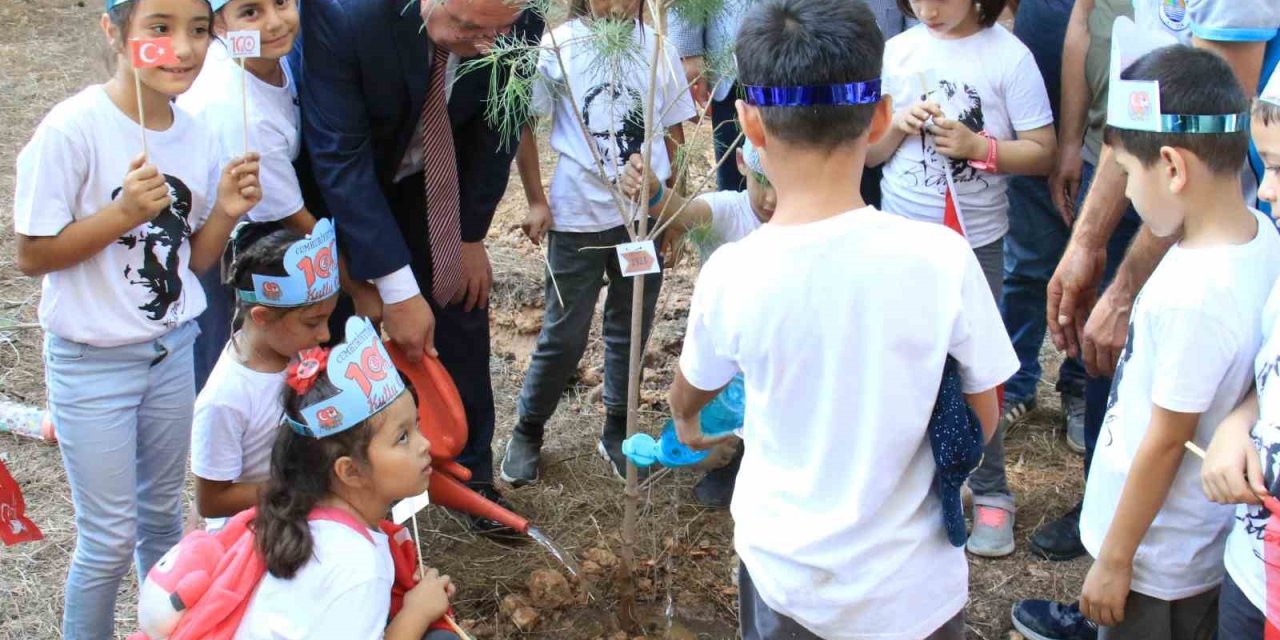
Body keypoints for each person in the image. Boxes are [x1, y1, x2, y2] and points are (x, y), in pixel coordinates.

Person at [668, 0, 1017, 637]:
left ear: (749, 124)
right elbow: (983, 411)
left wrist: (688, 423)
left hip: (788, 581)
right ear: (881, 114)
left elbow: (691, 391)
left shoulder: (734, 272)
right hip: (915, 591)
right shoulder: (942, 258)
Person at [11, 0, 262, 636]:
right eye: (159, 28)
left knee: (161, 521)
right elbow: (33, 255)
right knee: (108, 539)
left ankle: (169, 630)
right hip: (91, 362)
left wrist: (225, 212)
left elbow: (191, 261)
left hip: (171, 349)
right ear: (115, 32)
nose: (183, 48)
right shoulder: (72, 131)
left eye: (199, 30)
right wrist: (121, 215)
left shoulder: (198, 135)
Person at [293, 0, 543, 533]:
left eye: (497, 32)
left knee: (460, 305)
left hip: (432, 180)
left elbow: (498, 131)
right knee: (342, 337)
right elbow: (340, 159)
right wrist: (395, 287)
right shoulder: (346, 14)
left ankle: (470, 479)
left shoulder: (520, 16)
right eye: (467, 26)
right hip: (335, 192)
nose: (484, 45)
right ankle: (353, 501)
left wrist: (468, 235)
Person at [1072, 44, 1277, 638]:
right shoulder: (1262, 236)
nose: (1129, 195)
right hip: (1196, 546)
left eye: (1127, 174)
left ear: (1171, 167)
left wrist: (1116, 560)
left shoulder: (1192, 295)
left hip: (1155, 564)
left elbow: (1166, 441)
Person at [867, 0, 1056, 558]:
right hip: (900, 238)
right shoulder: (897, 52)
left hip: (977, 243)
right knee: (903, 360)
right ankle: (911, 485)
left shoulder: (1009, 58)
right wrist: (897, 127)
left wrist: (981, 149)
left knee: (979, 366)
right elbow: (868, 154)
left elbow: (1042, 151)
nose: (927, 8)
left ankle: (991, 488)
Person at [499, 0, 693, 486]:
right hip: (578, 216)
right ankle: (528, 430)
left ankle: (618, 431)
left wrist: (674, 209)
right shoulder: (558, 47)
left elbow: (674, 131)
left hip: (643, 221)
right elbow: (523, 121)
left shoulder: (658, 49)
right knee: (564, 332)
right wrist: (536, 200)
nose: (619, 3)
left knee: (632, 326)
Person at [178, 0, 377, 390]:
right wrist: (358, 289)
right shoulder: (241, 112)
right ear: (219, 25)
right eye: (250, 12)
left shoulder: (276, 57)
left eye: (281, 2)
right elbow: (297, 220)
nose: (274, 22)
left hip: (243, 225)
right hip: (212, 249)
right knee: (226, 368)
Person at [235, 317, 458, 639]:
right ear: (350, 471)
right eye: (402, 438)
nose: (425, 444)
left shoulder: (312, 517)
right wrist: (418, 611)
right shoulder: (357, 565)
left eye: (417, 426)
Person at [614, 139, 775, 507]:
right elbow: (685, 213)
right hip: (727, 368)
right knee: (707, 439)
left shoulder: (804, 220)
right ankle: (728, 461)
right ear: (741, 163)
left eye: (781, 182)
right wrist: (654, 191)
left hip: (777, 360)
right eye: (763, 181)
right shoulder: (730, 211)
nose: (770, 198)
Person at [668, 0, 913, 192]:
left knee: (861, 185)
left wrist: (921, 41)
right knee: (744, 195)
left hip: (857, 59)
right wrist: (688, 49)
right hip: (747, 59)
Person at [190, 221, 339, 531]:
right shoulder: (224, 399)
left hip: (304, 509)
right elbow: (211, 501)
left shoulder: (294, 351)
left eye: (328, 319)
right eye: (312, 322)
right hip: (256, 530)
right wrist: (301, 488)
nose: (325, 334)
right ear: (262, 316)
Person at [1199, 71, 1280, 638]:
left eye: (1279, 168)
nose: (1266, 190)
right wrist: (1240, 421)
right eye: (1266, 165)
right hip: (1253, 569)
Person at [1001, 0, 1087, 458]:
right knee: (1026, 265)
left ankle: (1081, 383)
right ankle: (1013, 382)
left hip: (1105, 131)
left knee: (1099, 270)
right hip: (1034, 118)